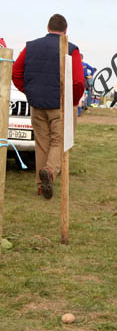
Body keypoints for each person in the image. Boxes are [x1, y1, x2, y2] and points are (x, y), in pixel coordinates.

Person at [11, 13, 85, 199]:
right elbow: (78, 82)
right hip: (60, 104)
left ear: (47, 27)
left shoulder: (31, 47)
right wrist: (73, 102)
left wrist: (29, 92)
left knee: (42, 143)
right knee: (59, 141)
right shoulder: (71, 49)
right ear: (65, 31)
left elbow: (16, 72)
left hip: (37, 104)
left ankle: (40, 185)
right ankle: (50, 171)